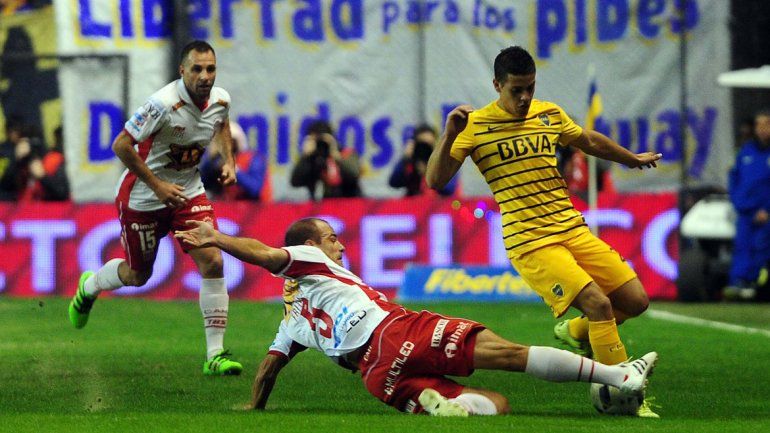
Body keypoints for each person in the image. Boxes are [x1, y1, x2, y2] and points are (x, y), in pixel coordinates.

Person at [174, 217, 658, 416]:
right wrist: (217, 238)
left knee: (497, 405)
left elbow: (269, 368)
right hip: (394, 330)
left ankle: (442, 407)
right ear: (310, 245)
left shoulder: (290, 321)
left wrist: (253, 409)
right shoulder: (311, 261)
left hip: (377, 376)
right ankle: (620, 377)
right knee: (508, 354)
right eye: (331, 237)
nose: (339, 244)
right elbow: (260, 253)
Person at [424, 46, 663, 417]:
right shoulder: (474, 127)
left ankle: (577, 333)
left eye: (530, 88)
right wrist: (448, 134)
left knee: (635, 301)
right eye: (516, 90)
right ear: (496, 85)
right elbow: (435, 179)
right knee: (600, 304)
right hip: (531, 241)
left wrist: (630, 158)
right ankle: (623, 396)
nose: (524, 98)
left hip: (571, 227)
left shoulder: (548, 113)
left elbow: (588, 140)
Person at [67, 40, 243, 376]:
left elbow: (221, 123)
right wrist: (158, 185)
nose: (205, 76)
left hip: (188, 193)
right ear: (182, 70)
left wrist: (228, 160)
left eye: (210, 69)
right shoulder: (162, 104)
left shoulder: (220, 99)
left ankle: (215, 355)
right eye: (197, 69)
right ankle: (89, 287)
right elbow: (121, 145)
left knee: (213, 259)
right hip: (143, 198)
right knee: (138, 275)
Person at [725, 109, 770, 301]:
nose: (762, 129)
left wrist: (767, 210)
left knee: (761, 248)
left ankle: (757, 286)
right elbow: (734, 178)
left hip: (765, 213)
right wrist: (737, 201)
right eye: (759, 125)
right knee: (742, 247)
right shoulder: (745, 152)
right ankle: (739, 284)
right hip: (745, 212)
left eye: (766, 124)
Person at [290, 120, 361, 200]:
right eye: (316, 140)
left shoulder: (345, 154)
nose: (320, 144)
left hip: (348, 205)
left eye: (323, 140)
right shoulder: (311, 159)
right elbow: (295, 182)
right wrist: (305, 157)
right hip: (320, 208)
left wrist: (336, 155)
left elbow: (354, 174)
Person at [201, 121, 271, 201]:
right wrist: (212, 161)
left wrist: (234, 170)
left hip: (256, 210)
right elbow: (202, 184)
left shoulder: (253, 159)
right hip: (230, 209)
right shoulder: (218, 162)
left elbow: (255, 189)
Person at [389, 123, 458, 197]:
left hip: (436, 206)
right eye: (423, 144)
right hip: (414, 204)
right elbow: (394, 183)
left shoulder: (443, 162)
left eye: (429, 144)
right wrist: (404, 159)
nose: (425, 148)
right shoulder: (410, 162)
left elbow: (450, 190)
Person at [20, 125, 70, 201]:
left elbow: (61, 192)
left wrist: (42, 176)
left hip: (56, 207)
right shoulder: (49, 157)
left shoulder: (58, 160)